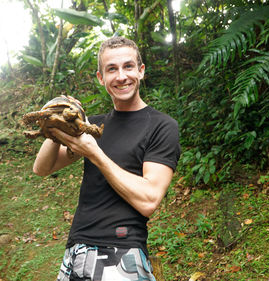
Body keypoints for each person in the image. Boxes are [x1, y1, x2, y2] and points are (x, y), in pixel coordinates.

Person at [32, 36, 181, 281]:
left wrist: (95, 153)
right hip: (76, 251)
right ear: (101, 78)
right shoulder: (92, 125)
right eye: (112, 69)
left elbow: (149, 200)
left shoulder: (161, 126)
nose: (121, 76)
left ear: (141, 71)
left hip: (121, 253)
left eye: (128, 66)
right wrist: (56, 123)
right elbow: (42, 168)